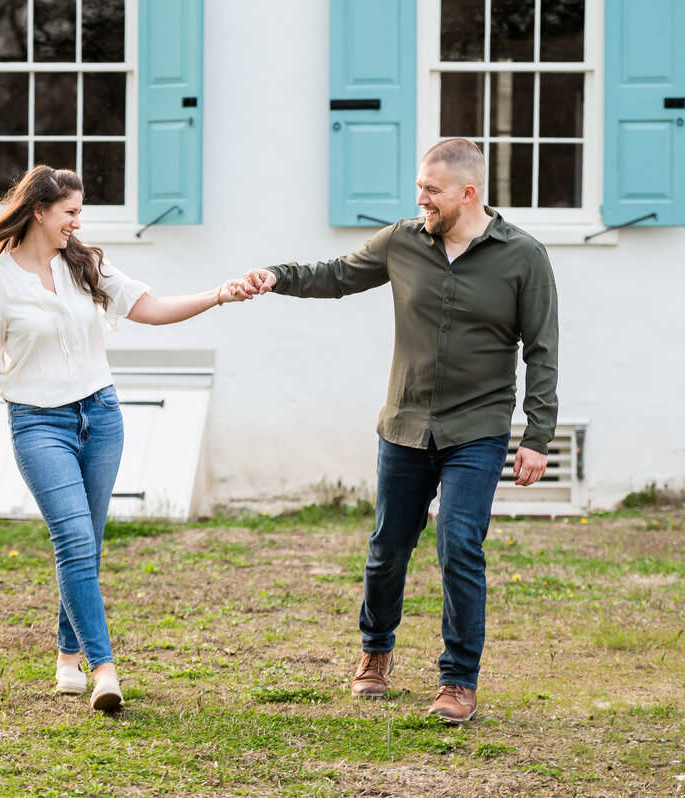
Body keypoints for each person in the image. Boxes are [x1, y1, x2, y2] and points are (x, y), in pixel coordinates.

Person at [239, 139, 558, 724]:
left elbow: (542, 350)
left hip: (478, 428)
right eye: (419, 188)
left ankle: (458, 682)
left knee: (459, 546)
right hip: (406, 424)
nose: (421, 200)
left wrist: (538, 436)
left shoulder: (524, 257)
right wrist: (275, 277)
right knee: (387, 550)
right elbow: (335, 275)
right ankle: (375, 653)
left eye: (432, 191)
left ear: (469, 193)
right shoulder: (402, 241)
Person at [0, 165, 248, 713]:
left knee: (86, 542)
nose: (76, 223)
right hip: (38, 424)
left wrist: (219, 296)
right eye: (69, 213)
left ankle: (68, 655)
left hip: (101, 416)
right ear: (40, 211)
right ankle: (104, 670)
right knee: (74, 543)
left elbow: (151, 311)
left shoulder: (86, 264)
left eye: (78, 214)